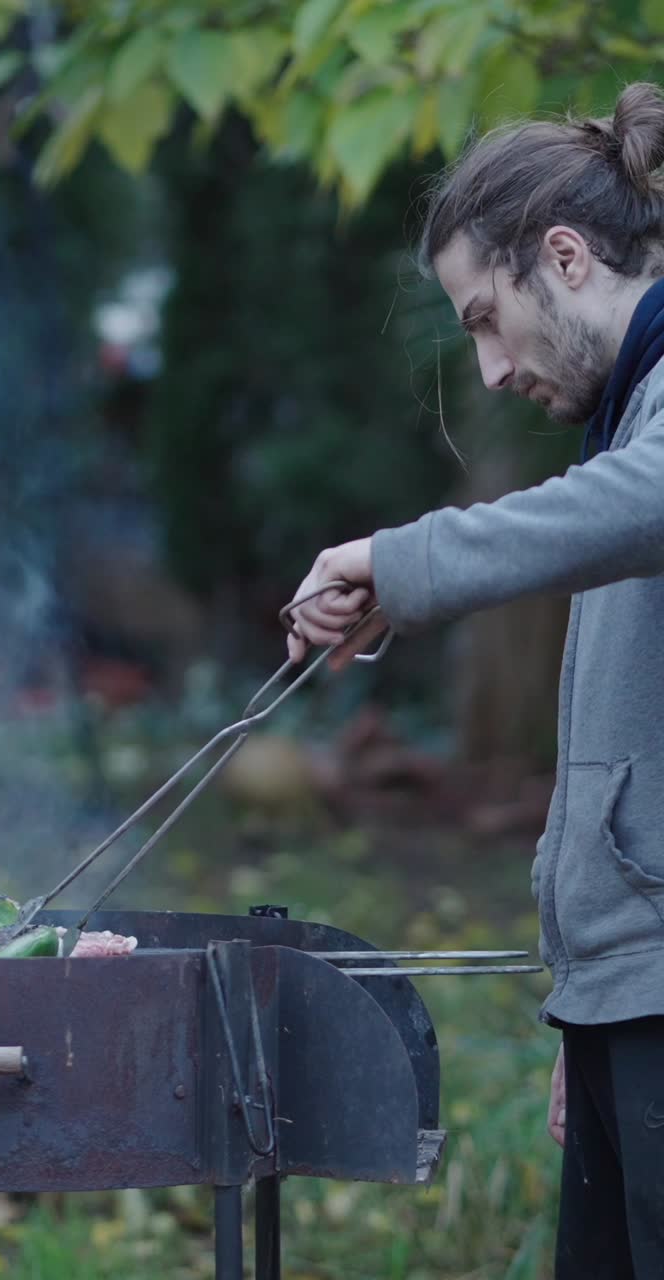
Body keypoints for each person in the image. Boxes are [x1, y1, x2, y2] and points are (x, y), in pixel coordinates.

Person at [286, 82, 664, 1279]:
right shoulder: (630, 424)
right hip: (628, 1000)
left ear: (567, 256)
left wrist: (401, 560)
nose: (491, 369)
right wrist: (593, 996)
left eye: (488, 319)